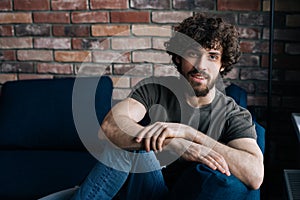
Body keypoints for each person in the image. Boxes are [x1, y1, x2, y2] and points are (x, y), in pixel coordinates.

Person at [71, 13, 264, 200]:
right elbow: (108, 127)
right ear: (179, 58)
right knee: (128, 145)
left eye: (212, 56)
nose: (200, 65)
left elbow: (255, 175)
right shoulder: (156, 89)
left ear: (223, 64)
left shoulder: (234, 114)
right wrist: (173, 144)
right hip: (149, 187)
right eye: (192, 54)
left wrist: (188, 134)